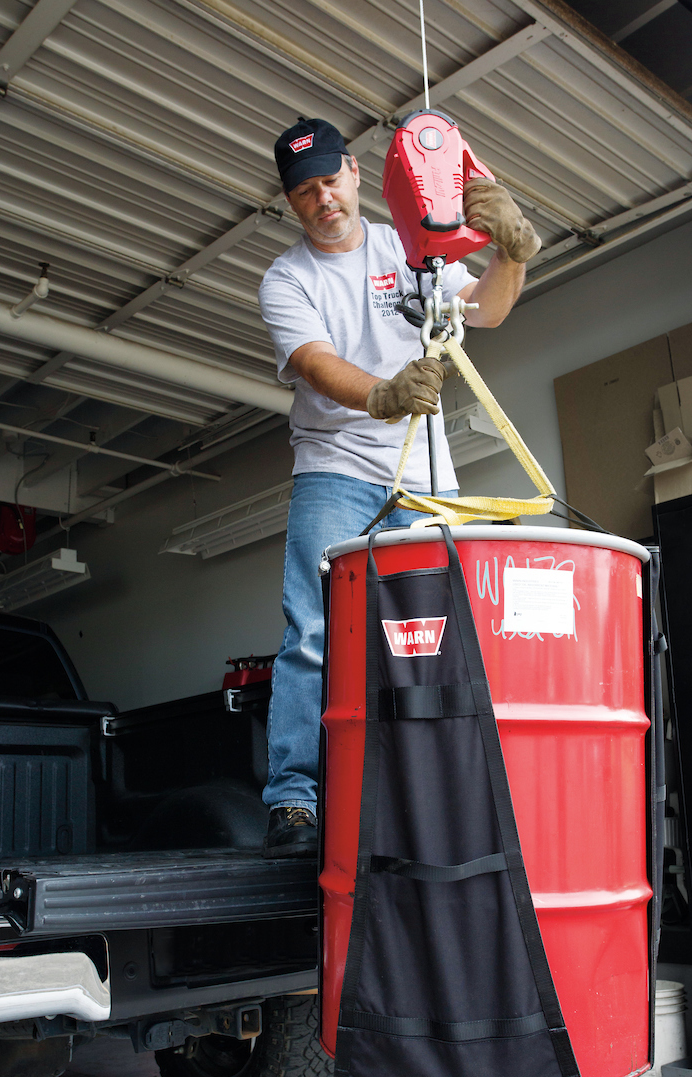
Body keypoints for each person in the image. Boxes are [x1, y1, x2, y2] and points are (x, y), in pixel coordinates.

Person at [258, 117, 541, 857]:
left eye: (330, 181)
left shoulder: (408, 247)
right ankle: (294, 799)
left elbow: (485, 309)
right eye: (305, 192)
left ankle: (430, 795)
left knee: (432, 637)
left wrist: (511, 253)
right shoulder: (287, 279)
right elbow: (316, 363)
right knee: (315, 633)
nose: (323, 199)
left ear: (355, 173)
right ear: (290, 202)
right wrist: (382, 394)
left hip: (423, 480)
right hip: (334, 471)